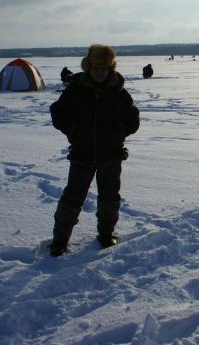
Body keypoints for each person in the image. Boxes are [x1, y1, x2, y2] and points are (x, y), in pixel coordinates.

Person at [49, 45, 140, 256]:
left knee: (110, 197)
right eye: (96, 68)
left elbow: (133, 119)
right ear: (89, 67)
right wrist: (73, 131)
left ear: (110, 69)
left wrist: (119, 131)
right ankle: (59, 241)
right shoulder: (76, 89)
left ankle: (106, 234)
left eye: (104, 69)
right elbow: (58, 112)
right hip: (82, 155)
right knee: (72, 198)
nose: (99, 72)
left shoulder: (119, 92)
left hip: (111, 156)